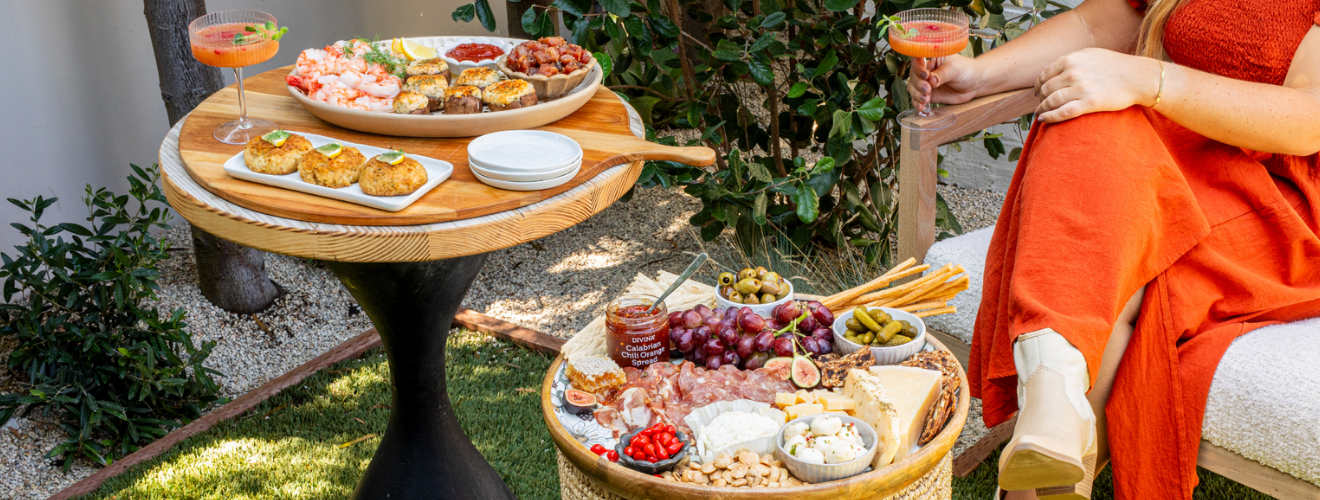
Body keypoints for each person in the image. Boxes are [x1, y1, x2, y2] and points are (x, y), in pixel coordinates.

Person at [907, 1, 1320, 499]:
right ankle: (1053, 399)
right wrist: (978, 75)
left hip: (1283, 199)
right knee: (1083, 112)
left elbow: (1311, 116)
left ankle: (1047, 428)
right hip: (1175, 156)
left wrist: (1149, 80)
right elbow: (1098, 26)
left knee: (1109, 262)